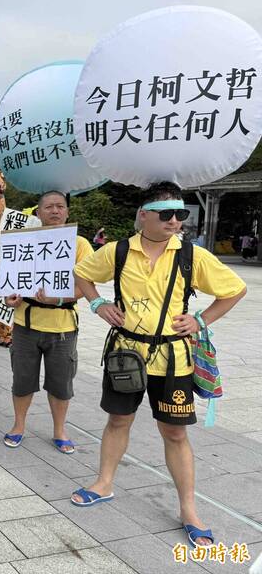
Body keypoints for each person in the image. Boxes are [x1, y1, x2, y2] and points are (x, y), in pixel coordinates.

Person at [71, 182, 246, 549]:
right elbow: (82, 274)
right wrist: (97, 305)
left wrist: (201, 320)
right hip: (126, 355)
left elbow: (234, 289)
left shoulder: (190, 255)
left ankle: (188, 509)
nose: (174, 221)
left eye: (180, 214)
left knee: (175, 433)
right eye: (165, 214)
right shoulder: (117, 251)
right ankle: (103, 483)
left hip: (173, 359)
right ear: (143, 215)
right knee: (118, 419)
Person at [3, 191, 93, 453]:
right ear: (38, 212)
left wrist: (58, 299)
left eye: (60, 206)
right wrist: (11, 297)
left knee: (61, 383)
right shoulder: (22, 241)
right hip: (25, 324)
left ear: (67, 212)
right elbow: (11, 281)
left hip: (63, 327)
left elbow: (86, 287)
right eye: (49, 207)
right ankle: (18, 425)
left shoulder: (80, 245)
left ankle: (59, 430)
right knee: (22, 380)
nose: (55, 211)